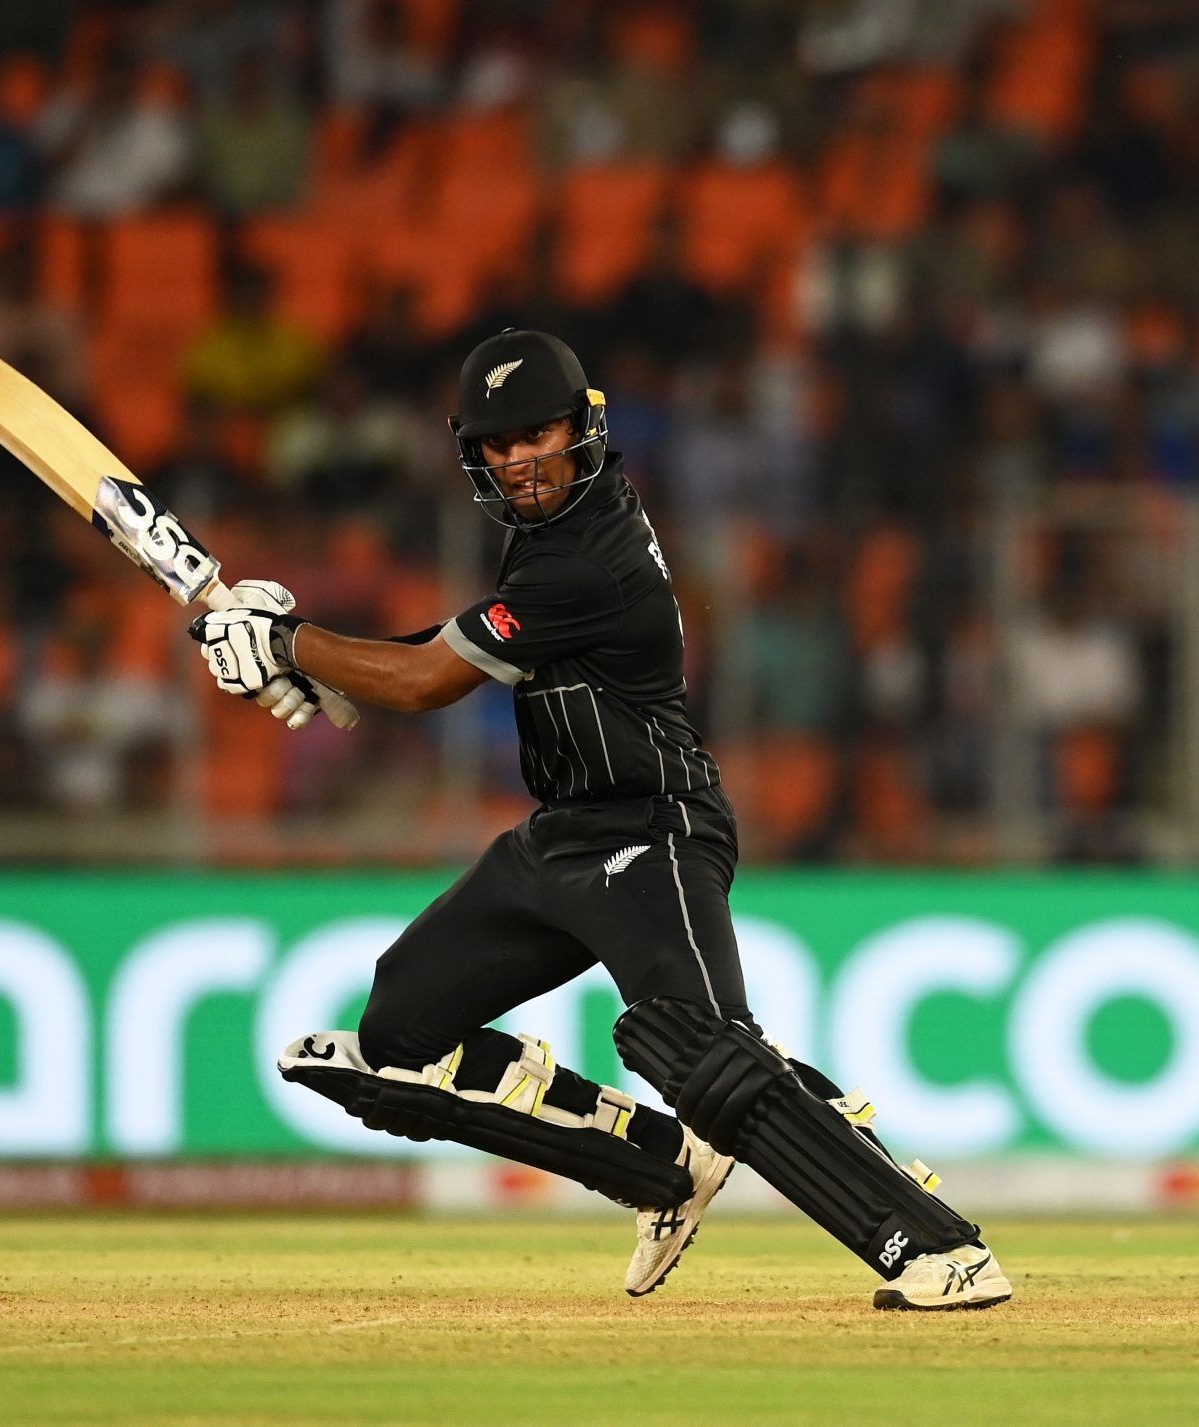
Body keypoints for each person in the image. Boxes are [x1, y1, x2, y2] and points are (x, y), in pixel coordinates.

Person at [186, 329, 1011, 1311]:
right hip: (561, 835)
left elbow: (420, 678)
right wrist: (306, 656)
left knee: (698, 1048)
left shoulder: (591, 554)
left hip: (653, 827)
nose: (519, 459)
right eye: (497, 444)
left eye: (537, 433)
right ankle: (658, 1167)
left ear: (584, 428)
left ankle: (937, 1249)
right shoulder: (544, 539)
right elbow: (440, 647)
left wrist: (288, 639)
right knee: (400, 1029)